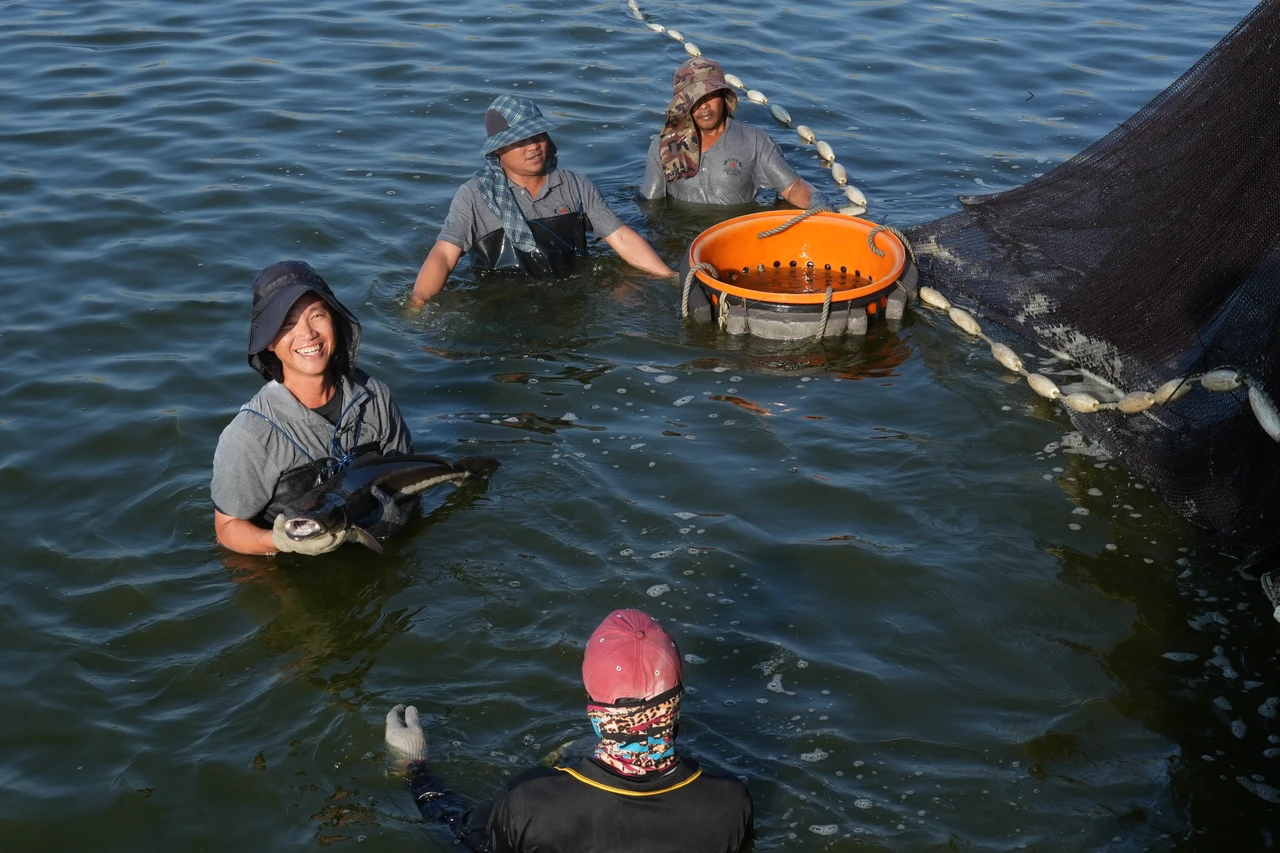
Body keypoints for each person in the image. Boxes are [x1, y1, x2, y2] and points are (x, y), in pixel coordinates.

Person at [384, 608, 754, 853]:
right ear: (677, 700)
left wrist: (414, 767)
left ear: (594, 705)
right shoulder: (730, 802)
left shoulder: (532, 802)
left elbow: (459, 833)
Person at [211, 260, 413, 556]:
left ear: (335, 321)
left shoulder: (375, 396)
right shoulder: (248, 437)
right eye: (287, 324)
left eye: (317, 315)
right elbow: (227, 529)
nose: (307, 335)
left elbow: (407, 472)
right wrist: (280, 542)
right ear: (268, 342)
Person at [408, 94, 676, 309]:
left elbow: (622, 238)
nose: (533, 146)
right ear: (498, 150)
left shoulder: (575, 186)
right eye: (520, 141)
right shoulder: (474, 196)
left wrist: (669, 278)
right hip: (500, 303)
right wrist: (417, 304)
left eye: (538, 137)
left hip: (568, 294)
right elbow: (443, 255)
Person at [640, 57, 818, 208]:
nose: (704, 106)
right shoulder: (663, 146)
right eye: (694, 99)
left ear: (724, 98)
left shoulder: (754, 142)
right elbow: (650, 205)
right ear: (683, 106)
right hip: (681, 240)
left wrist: (818, 203)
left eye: (710, 96)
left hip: (735, 237)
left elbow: (793, 188)